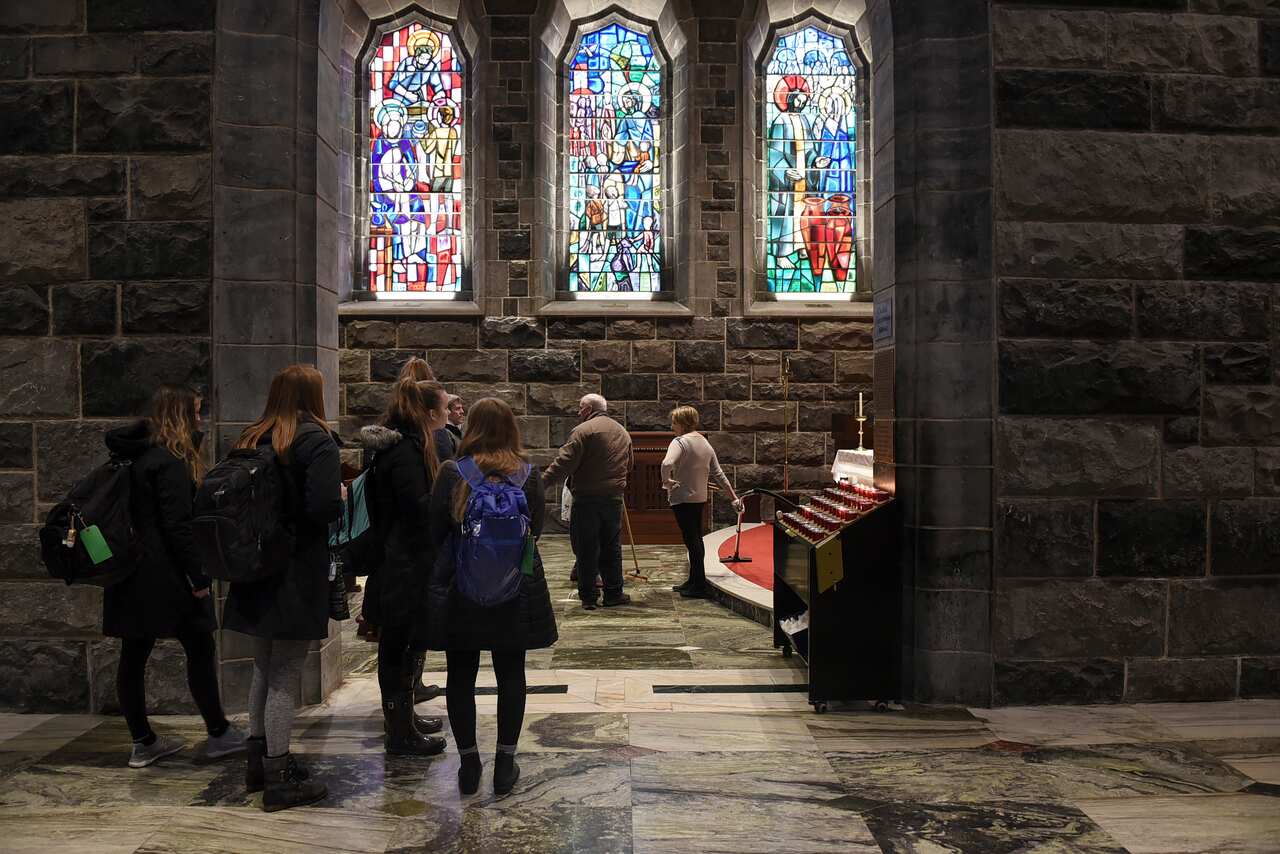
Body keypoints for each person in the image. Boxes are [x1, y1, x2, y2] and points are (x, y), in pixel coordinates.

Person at [102, 386, 245, 769]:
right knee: (200, 647)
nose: (201, 420)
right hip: (166, 578)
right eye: (196, 413)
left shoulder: (131, 457)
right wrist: (198, 577)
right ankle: (218, 733)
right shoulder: (169, 462)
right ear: (181, 417)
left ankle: (142, 742)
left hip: (129, 573)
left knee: (133, 656)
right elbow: (178, 527)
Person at [223, 365, 341, 813]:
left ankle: (257, 762)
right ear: (313, 395)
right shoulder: (315, 439)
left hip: (253, 564)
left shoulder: (252, 436)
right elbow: (323, 507)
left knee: (263, 664)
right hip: (294, 569)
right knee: (285, 673)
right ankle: (278, 776)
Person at [427, 398, 557, 796]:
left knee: (460, 677)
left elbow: (434, 531)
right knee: (511, 675)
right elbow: (535, 530)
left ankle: (469, 765)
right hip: (513, 591)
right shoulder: (526, 474)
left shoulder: (453, 472)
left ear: (471, 429)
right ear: (511, 429)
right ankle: (505, 764)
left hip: (462, 592)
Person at [360, 379, 449, 757]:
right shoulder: (405, 452)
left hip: (404, 559)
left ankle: (405, 717)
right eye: (444, 407)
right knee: (396, 646)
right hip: (402, 563)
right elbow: (415, 508)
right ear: (429, 413)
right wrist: (450, 495)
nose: (448, 412)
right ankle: (399, 732)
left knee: (406, 642)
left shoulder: (405, 446)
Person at [542, 394, 633, 610]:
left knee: (586, 547)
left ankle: (589, 597)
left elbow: (563, 463)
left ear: (589, 409)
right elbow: (629, 465)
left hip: (587, 498)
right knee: (611, 547)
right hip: (613, 498)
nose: (578, 412)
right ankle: (614, 593)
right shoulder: (622, 431)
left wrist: (540, 485)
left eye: (580, 407)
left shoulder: (583, 431)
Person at [392, 357, 447, 704]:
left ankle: (405, 700)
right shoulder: (419, 446)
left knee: (400, 637)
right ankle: (404, 707)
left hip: (400, 552)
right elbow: (421, 502)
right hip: (410, 554)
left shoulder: (395, 439)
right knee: (406, 635)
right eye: (444, 407)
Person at [661, 406, 743, 598]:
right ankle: (693, 580)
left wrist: (666, 482)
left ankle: (698, 586)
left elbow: (666, 463)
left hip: (682, 497)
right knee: (696, 538)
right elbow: (719, 474)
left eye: (674, 422)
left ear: (682, 423)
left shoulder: (680, 442)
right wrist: (734, 498)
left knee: (692, 540)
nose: (672, 426)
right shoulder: (705, 443)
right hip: (700, 498)